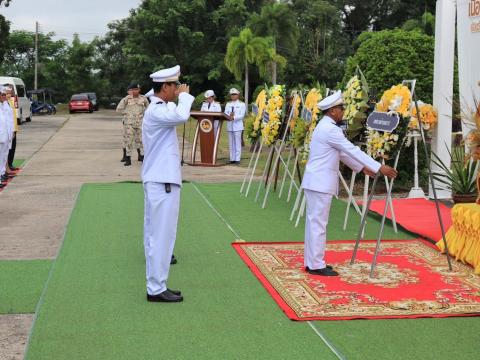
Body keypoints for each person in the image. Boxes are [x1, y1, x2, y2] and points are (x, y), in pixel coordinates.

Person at [301, 91, 397, 276]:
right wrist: (378, 167)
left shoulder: (327, 126)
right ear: (332, 111)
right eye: (341, 108)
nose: (343, 111)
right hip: (319, 183)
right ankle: (315, 265)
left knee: (315, 223)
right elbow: (350, 149)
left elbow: (343, 154)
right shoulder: (329, 129)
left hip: (317, 182)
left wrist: (362, 169)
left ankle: (312, 262)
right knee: (317, 224)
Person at [141, 65, 194, 303]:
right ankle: (156, 287)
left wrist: (178, 97)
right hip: (162, 180)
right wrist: (185, 96)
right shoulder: (157, 111)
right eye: (175, 85)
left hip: (160, 179)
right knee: (161, 236)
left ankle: (158, 284)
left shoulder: (159, 107)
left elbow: (176, 110)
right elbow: (182, 115)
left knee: (157, 235)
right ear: (165, 87)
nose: (178, 89)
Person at [116, 83, 150, 166]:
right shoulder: (126, 99)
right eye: (134, 89)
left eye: (137, 89)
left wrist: (144, 115)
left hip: (140, 123)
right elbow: (118, 109)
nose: (136, 91)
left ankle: (142, 157)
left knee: (141, 140)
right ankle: (128, 158)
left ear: (139, 90)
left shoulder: (144, 98)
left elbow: (149, 109)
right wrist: (127, 113)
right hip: (129, 123)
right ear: (132, 90)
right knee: (129, 141)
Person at [224, 88, 245, 164]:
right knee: (231, 143)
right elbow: (225, 113)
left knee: (237, 143)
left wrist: (234, 117)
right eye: (232, 94)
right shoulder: (228, 104)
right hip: (230, 125)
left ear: (238, 95)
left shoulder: (242, 104)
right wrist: (228, 116)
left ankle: (237, 159)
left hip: (238, 126)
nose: (233, 96)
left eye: (234, 94)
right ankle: (232, 158)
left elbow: (242, 115)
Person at [5, 85, 19, 171]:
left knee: (12, 148)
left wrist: (15, 129)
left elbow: (14, 117)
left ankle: (10, 164)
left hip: (13, 128)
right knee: (6, 150)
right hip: (7, 130)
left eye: (10, 93)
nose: (9, 95)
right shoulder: (3, 103)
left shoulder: (11, 101)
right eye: (7, 93)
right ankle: (5, 169)